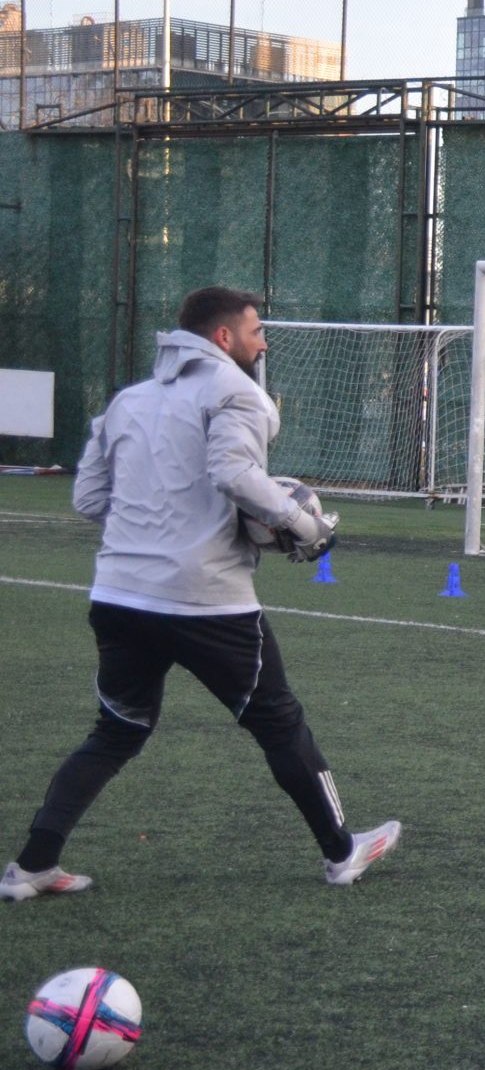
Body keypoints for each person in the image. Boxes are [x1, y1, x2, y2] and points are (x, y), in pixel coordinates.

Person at [1, 287, 401, 902]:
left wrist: (156, 526)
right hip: (205, 598)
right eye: (257, 330)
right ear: (223, 337)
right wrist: (304, 527)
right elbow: (233, 474)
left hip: (119, 595)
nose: (263, 343)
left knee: (115, 731)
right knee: (279, 723)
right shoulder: (237, 392)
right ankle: (342, 851)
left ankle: (32, 867)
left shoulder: (128, 400)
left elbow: (88, 500)